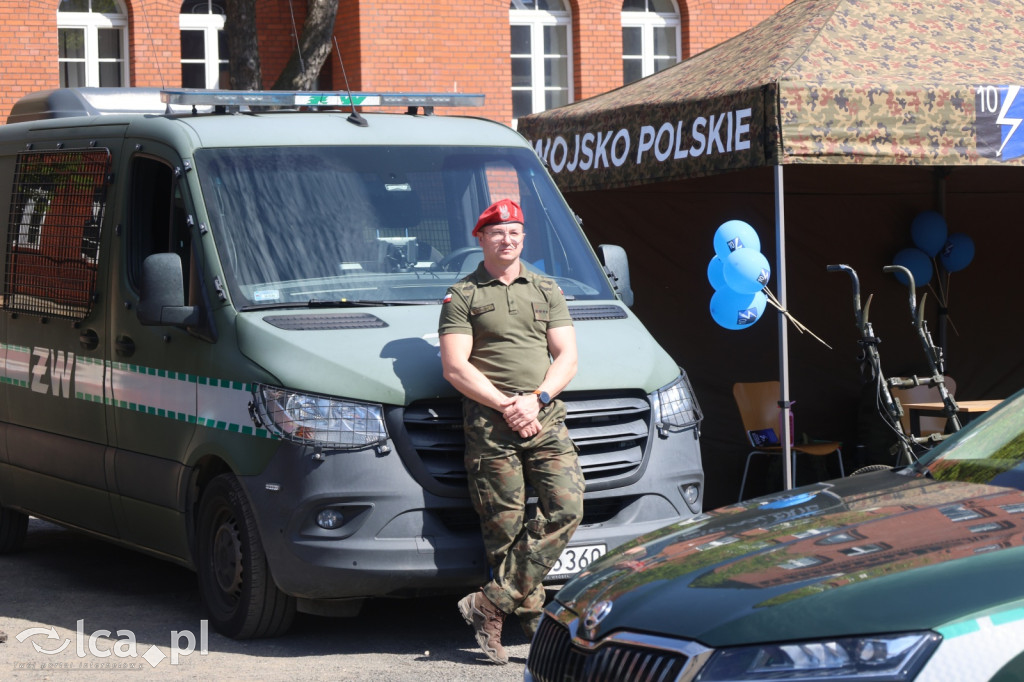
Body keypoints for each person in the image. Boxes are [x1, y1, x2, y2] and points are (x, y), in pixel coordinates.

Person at [438, 198, 584, 665]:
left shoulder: (546, 289)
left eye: (516, 233)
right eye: (498, 232)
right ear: (481, 238)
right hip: (490, 422)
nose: (508, 240)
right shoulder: (462, 295)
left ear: (524, 239)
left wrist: (536, 399)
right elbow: (454, 368)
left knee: (567, 506)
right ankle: (537, 633)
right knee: (504, 529)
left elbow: (567, 357)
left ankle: (490, 604)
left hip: (543, 415)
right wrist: (505, 404)